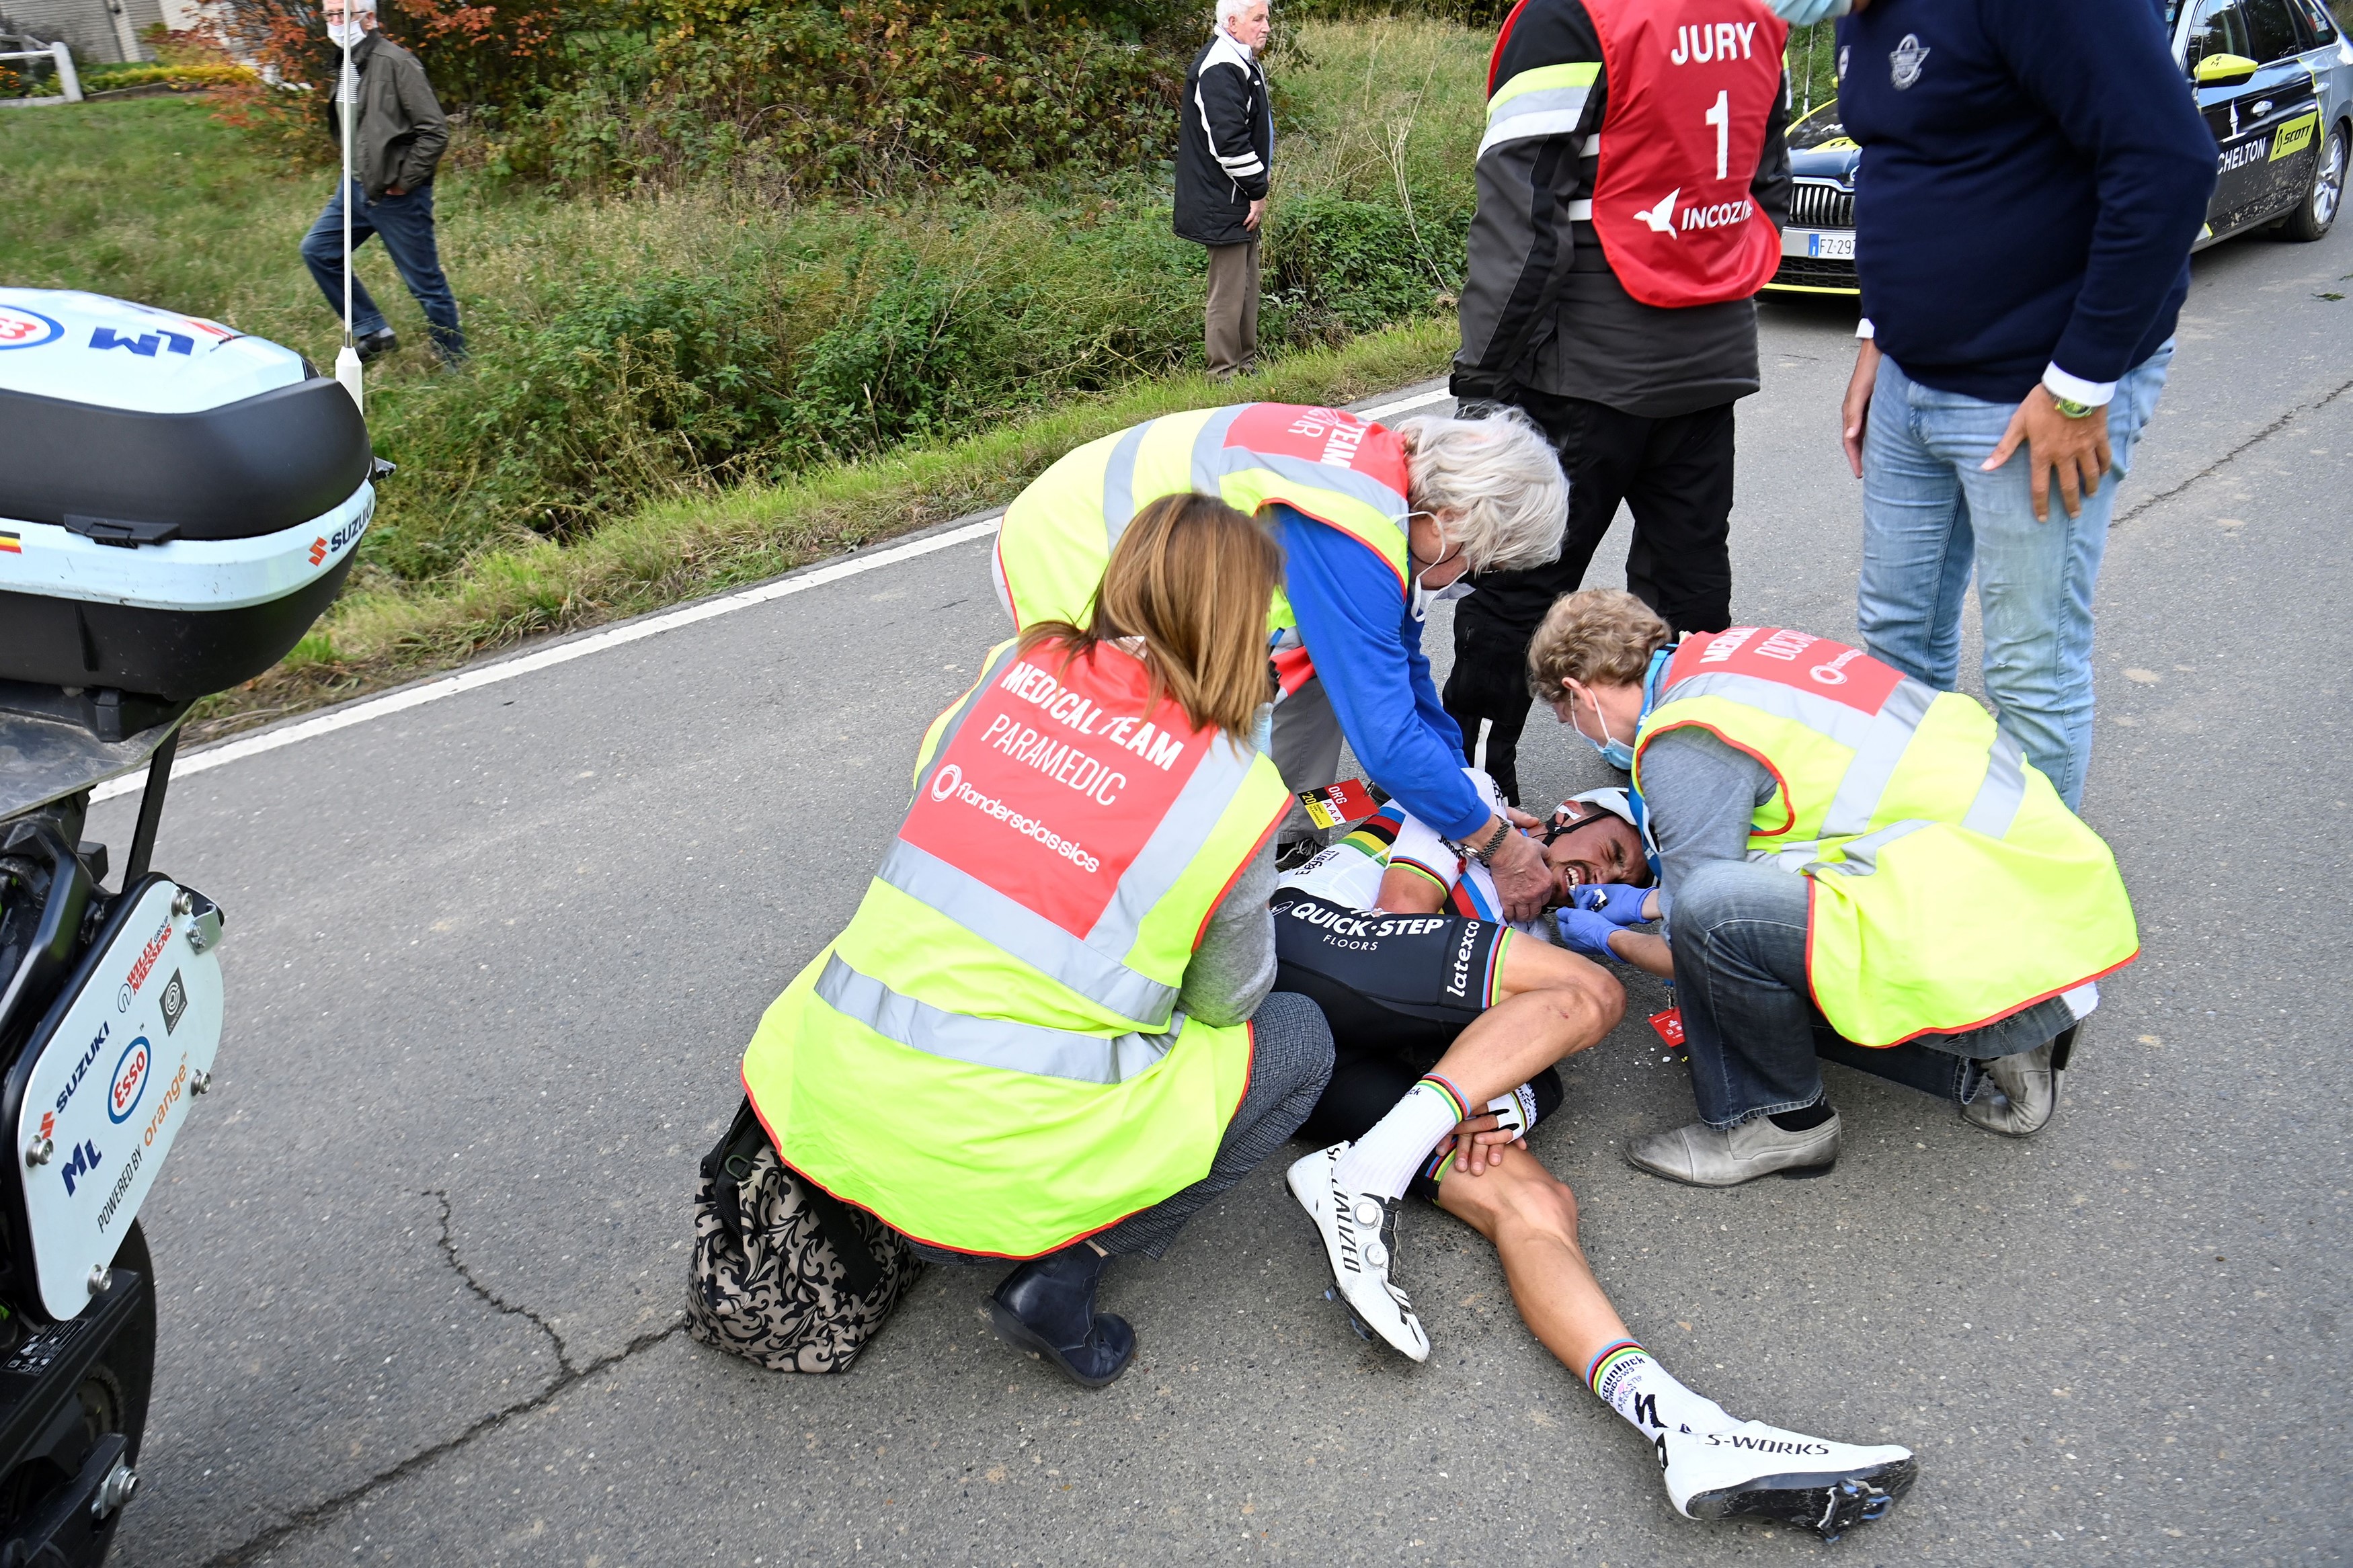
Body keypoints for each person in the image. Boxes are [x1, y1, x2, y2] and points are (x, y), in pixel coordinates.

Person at [740, 493, 1333, 1389]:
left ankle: (933, 1197)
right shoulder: (1234, 793)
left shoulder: (1013, 669)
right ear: (1249, 620)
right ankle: (1068, 1267)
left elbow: (945, 803)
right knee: (1299, 1040)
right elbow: (1229, 1003)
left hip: (826, 1102)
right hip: (990, 1174)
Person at [1269, 775, 1918, 1538]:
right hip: (1295, 948)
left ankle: (1685, 1428)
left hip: (1300, 1064)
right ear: (1564, 816)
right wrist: (1491, 1060)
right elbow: (1400, 916)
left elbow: (1509, 1062)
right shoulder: (1468, 806)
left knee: (1538, 1202)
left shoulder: (1541, 949)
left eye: (1623, 881)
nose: (1604, 878)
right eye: (1608, 852)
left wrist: (1499, 1093)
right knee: (1591, 997)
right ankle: (1365, 1172)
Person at [1526, 589, 2139, 1187]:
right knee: (1726, 899)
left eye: (1569, 717)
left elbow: (1695, 920)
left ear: (1579, 691)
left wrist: (1615, 938)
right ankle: (2024, 1025)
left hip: (1969, 908)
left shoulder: (1685, 739)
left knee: (1712, 917)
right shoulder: (1732, 656)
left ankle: (1778, 1120)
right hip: (2029, 877)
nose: (1582, 731)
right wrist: (1643, 901)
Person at [1827, 0, 2215, 810]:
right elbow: (1913, 165)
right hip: (1909, 374)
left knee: (2029, 667)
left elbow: (2168, 164)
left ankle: (2034, 915)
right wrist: (1878, 332)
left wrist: (2076, 386)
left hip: (2035, 391)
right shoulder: (1855, 15)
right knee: (1896, 639)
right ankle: (1917, 853)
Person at [994, 402, 1567, 915]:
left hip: (1123, 518)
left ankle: (1276, 842)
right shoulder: (1353, 534)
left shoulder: (1390, 482)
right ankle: (1079, 875)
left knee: (1314, 669)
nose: (1465, 577)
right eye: (1477, 561)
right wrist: (1498, 845)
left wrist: (1468, 798)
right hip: (1081, 548)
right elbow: (1386, 739)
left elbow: (1398, 665)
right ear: (1451, 519)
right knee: (1147, 740)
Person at [1442, 0, 1792, 804]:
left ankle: (1472, 796)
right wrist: (1713, 284)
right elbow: (1763, 191)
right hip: (1708, 361)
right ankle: (1684, 790)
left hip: (1582, 366)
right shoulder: (1754, 17)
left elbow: (1520, 221)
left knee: (1517, 584)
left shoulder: (1569, 18)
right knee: (1690, 588)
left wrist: (1482, 379)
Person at [298, 0, 464, 364]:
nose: (335, 22)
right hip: (353, 189)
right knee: (318, 251)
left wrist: (404, 182)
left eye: (343, 15)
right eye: (329, 15)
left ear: (370, 18)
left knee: (424, 283)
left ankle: (454, 356)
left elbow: (434, 133)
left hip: (395, 196)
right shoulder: (346, 62)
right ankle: (374, 331)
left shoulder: (397, 64)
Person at [1176, 0, 1273, 380]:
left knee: (1248, 286)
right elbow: (1229, 143)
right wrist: (1257, 189)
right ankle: (1222, 375)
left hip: (1237, 195)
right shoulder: (1220, 66)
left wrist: (1255, 190)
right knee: (1228, 291)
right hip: (1225, 197)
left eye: (1267, 18)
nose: (1266, 27)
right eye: (1259, 19)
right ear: (1232, 22)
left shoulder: (1241, 59)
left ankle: (1246, 366)